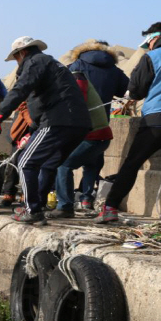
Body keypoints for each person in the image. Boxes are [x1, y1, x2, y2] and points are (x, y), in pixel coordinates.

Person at [96, 22, 161, 223]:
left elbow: (137, 91)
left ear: (155, 38)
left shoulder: (152, 57)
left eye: (148, 42)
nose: (147, 47)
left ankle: (110, 208)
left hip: (156, 121)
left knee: (131, 165)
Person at [0, 36, 91, 224]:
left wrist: (0, 114)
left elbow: (21, 88)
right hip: (78, 124)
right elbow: (39, 102)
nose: (17, 63)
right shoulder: (53, 64)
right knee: (48, 164)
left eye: (16, 59)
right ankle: (37, 205)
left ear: (22, 53)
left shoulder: (35, 61)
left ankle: (33, 210)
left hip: (58, 121)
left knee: (25, 162)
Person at [66, 39, 129, 202]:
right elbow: (126, 91)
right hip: (101, 126)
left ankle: (64, 202)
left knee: (64, 165)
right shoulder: (114, 70)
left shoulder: (77, 65)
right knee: (93, 164)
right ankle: (86, 199)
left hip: (75, 125)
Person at [45, 73, 113, 219]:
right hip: (100, 136)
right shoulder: (78, 80)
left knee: (63, 165)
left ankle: (64, 206)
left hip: (93, 137)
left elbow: (75, 106)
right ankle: (86, 201)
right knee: (89, 166)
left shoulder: (77, 80)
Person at [0, 101, 33, 206]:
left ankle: (26, 193)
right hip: (22, 129)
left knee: (31, 163)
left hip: (36, 125)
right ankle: (9, 193)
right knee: (14, 162)